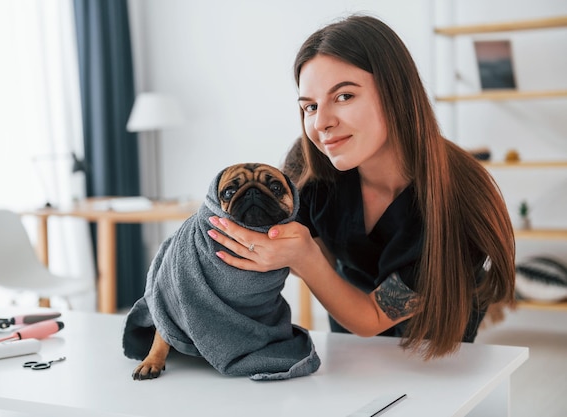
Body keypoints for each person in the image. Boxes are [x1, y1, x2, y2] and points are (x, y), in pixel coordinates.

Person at [206, 14, 516, 359]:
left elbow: (371, 318)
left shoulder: (460, 200)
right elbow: (297, 248)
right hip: (349, 336)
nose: (321, 122)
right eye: (310, 106)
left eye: (344, 96)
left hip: (436, 347)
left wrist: (307, 258)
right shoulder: (311, 166)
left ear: (395, 92)